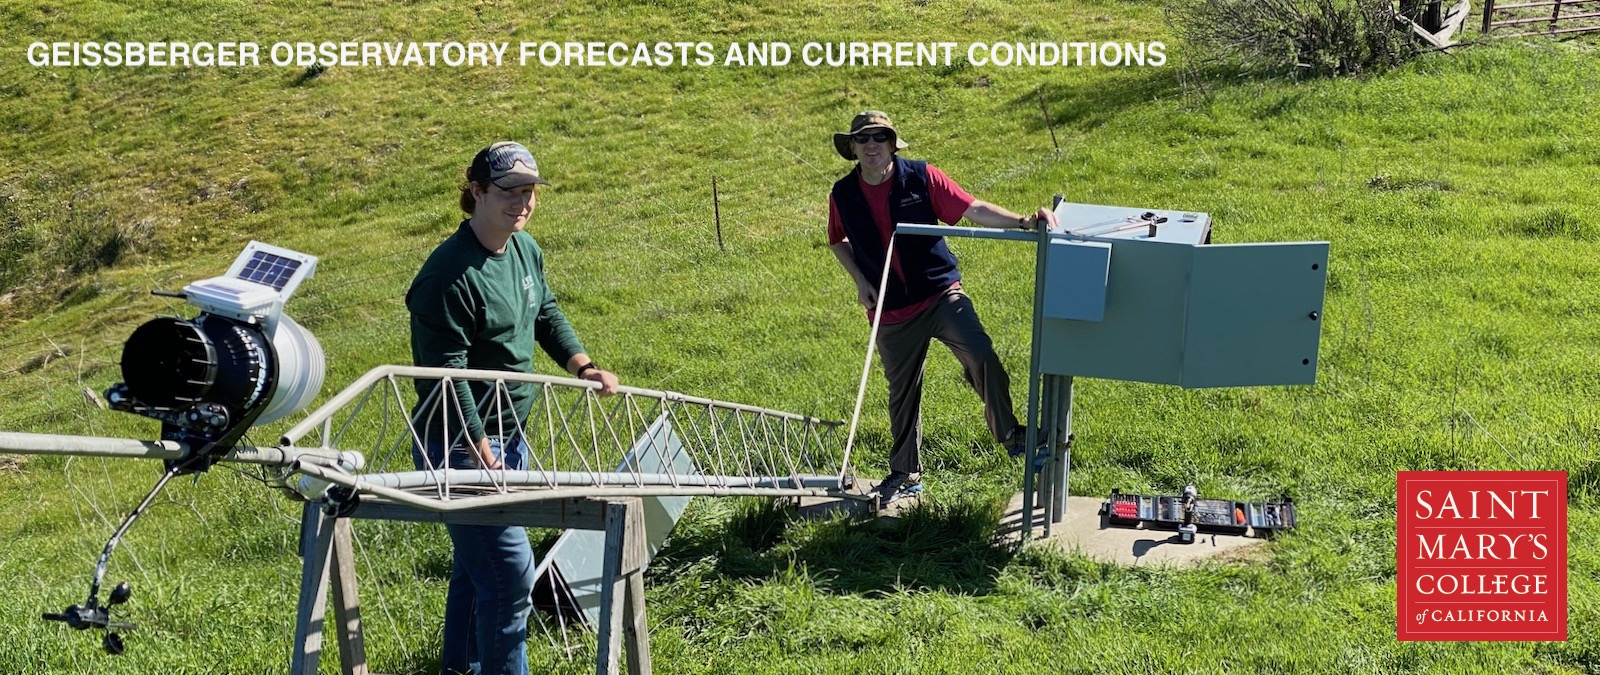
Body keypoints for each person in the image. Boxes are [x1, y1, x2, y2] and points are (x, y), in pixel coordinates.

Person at [406, 141, 619, 675]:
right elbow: (448, 374)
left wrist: (583, 366)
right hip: (458, 443)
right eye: (509, 191)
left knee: (476, 571)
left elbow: (543, 308)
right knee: (510, 573)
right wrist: (479, 446)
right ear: (476, 192)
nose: (522, 203)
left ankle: (460, 668)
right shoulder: (447, 277)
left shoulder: (524, 249)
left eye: (530, 192)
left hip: (509, 435)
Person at [825, 111, 1059, 505]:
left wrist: (1023, 221)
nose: (871, 145)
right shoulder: (842, 194)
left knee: (980, 353)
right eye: (862, 138)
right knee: (902, 393)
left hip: (939, 293)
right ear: (851, 147)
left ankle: (1011, 435)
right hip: (890, 309)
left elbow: (973, 208)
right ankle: (905, 472)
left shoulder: (920, 177)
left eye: (879, 137)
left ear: (892, 144)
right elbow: (836, 240)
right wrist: (861, 282)